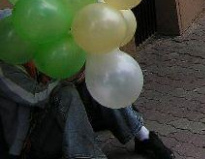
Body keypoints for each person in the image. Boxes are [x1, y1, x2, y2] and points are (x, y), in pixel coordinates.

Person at [0, 24, 174, 159]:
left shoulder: (37, 49)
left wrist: (79, 71)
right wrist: (64, 78)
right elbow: (36, 97)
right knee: (66, 93)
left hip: (61, 120)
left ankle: (143, 136)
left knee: (96, 74)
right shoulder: (4, 69)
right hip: (32, 142)